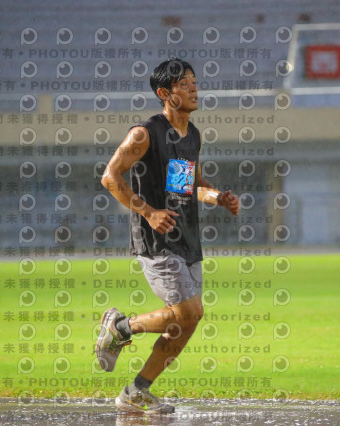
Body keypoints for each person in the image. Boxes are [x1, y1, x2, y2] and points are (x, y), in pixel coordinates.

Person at [97, 58, 240, 414]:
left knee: (187, 322)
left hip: (187, 238)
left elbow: (189, 184)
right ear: (165, 93)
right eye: (184, 83)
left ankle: (136, 391)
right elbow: (110, 177)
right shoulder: (144, 133)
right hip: (156, 239)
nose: (193, 88)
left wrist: (218, 197)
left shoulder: (192, 136)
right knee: (189, 311)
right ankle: (120, 327)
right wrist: (149, 212)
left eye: (194, 81)